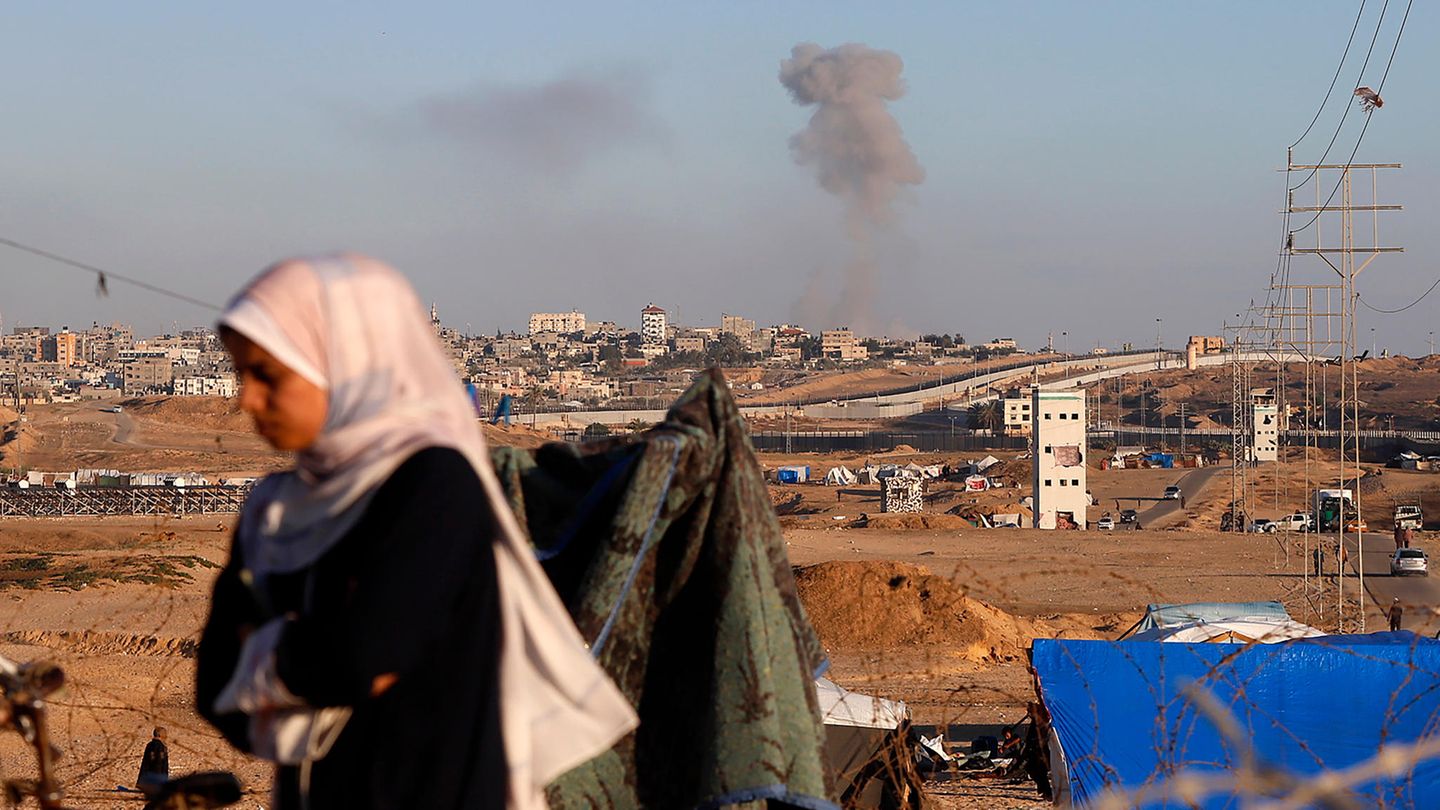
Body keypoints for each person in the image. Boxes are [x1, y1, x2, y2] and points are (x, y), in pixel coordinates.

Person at [196, 255, 635, 810]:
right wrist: (320, 663)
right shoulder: (275, 509)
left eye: (268, 375)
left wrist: (262, 655)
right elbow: (215, 691)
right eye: (240, 375)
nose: (245, 400)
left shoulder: (433, 482)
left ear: (348, 363)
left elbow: (365, 654)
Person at [136, 727, 169, 796]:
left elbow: (145, 763)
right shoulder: (161, 746)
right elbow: (160, 761)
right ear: (160, 735)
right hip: (158, 776)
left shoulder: (149, 745)